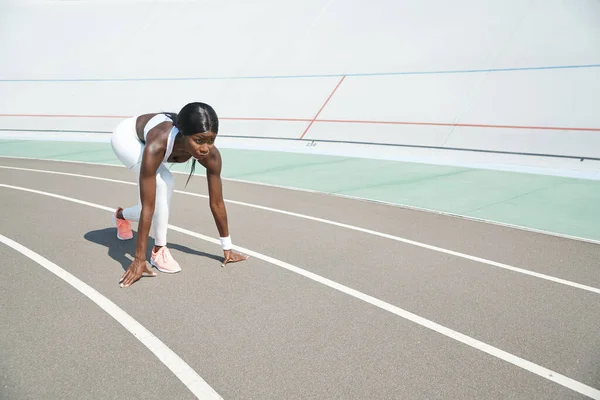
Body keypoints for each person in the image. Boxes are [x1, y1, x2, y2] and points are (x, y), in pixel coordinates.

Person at [109, 102, 249, 288]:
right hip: (127, 137)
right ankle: (158, 250)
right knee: (163, 183)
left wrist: (227, 248)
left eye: (211, 140)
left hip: (149, 139)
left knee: (160, 190)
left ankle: (121, 216)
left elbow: (216, 203)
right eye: (199, 141)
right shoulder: (158, 145)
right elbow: (149, 207)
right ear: (183, 134)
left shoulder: (211, 156)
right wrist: (138, 259)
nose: (206, 148)